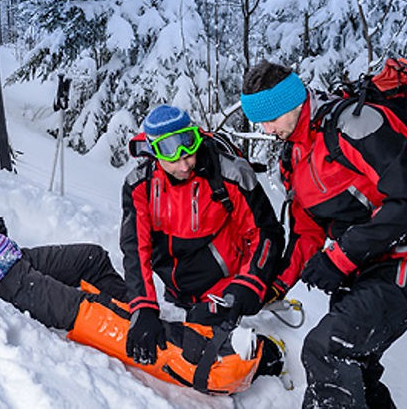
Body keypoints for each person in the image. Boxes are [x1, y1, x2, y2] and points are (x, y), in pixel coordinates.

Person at [0, 119, 283, 394]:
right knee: (89, 310)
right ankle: (216, 360)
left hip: (13, 257)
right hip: (3, 281)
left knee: (90, 258)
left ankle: (140, 315)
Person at [240, 61, 407, 408]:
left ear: (293, 102)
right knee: (358, 373)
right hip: (363, 269)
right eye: (259, 121)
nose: (266, 129)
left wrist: (339, 257)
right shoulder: (294, 157)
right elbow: (307, 232)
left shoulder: (353, 125)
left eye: (271, 117)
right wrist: (273, 287)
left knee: (328, 349)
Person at [121, 104, 285, 365]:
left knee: (205, 347)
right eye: (173, 158)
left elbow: (266, 233)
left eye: (190, 152)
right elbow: (135, 248)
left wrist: (248, 284)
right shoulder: (139, 186)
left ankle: (267, 349)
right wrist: (143, 307)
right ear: (154, 153)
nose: (185, 164)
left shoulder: (230, 174)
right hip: (176, 289)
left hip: (225, 287)